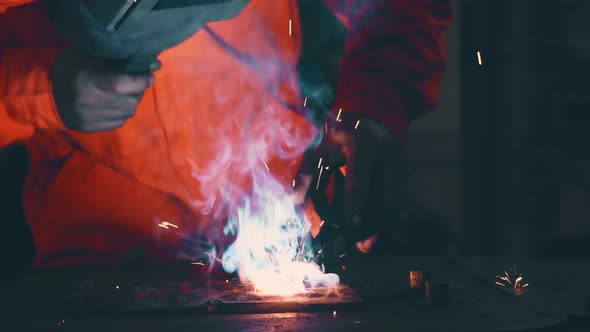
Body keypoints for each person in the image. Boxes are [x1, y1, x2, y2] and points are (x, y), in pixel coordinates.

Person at [0, 0, 453, 268]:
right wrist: (38, 85)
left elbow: (396, 8)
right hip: (104, 260)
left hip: (284, 217)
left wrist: (371, 107)